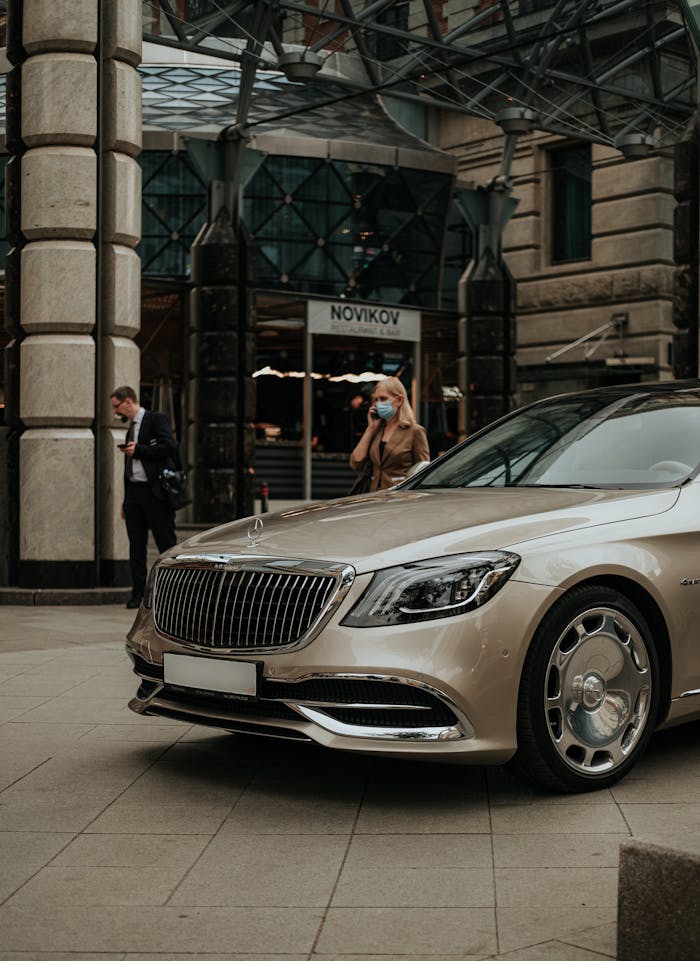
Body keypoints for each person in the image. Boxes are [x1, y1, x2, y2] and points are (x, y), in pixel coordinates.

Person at [111, 385, 179, 609]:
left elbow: (169, 447)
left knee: (166, 544)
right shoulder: (131, 427)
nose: (116, 412)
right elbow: (129, 466)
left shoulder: (155, 419)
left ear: (128, 402)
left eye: (117, 406)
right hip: (134, 494)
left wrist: (139, 450)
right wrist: (125, 500)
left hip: (155, 493)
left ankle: (175, 592)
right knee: (135, 546)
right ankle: (138, 594)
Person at [349, 376, 430, 491]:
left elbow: (423, 471)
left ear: (399, 400)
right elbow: (356, 463)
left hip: (400, 498)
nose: (378, 404)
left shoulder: (415, 432)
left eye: (383, 399)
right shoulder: (376, 430)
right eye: (376, 400)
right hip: (373, 495)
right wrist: (370, 429)